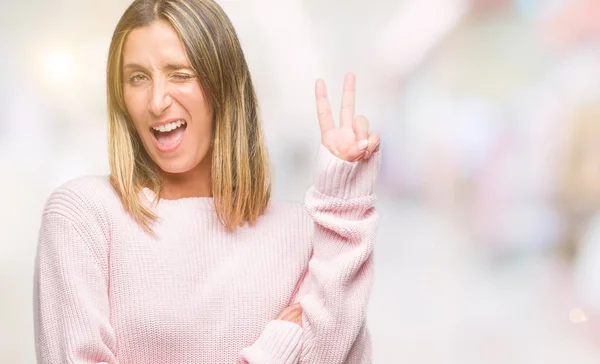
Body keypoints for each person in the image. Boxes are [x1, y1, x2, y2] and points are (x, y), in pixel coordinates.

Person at [33, 0, 382, 363]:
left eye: (180, 74)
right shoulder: (82, 217)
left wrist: (343, 200)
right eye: (137, 77)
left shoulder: (300, 236)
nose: (156, 101)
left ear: (223, 86)